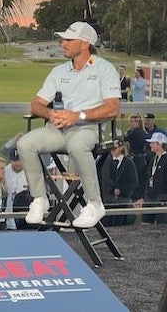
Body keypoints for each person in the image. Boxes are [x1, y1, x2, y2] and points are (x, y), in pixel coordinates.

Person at [16, 21, 121, 228]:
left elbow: (112, 108)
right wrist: (50, 113)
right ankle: (40, 199)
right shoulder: (59, 71)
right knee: (24, 144)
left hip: (90, 128)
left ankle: (94, 203)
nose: (62, 43)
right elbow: (35, 105)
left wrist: (78, 116)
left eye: (68, 39)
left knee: (76, 146)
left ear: (84, 44)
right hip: (57, 129)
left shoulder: (104, 69)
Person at [100, 139, 138, 226]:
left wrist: (121, 190)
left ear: (121, 148)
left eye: (115, 148)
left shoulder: (128, 163)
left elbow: (134, 182)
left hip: (122, 200)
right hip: (107, 200)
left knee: (118, 225)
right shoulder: (106, 161)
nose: (112, 150)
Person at [133, 132, 167, 225]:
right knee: (145, 226)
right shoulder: (153, 160)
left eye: (152, 143)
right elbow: (149, 181)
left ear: (159, 144)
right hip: (150, 200)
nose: (150, 145)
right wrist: (144, 198)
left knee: (162, 227)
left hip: (161, 201)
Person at [4, 147, 31, 230]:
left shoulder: (30, 171)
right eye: (15, 160)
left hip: (24, 220)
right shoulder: (4, 171)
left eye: (20, 160)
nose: (18, 163)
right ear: (10, 160)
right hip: (7, 218)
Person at [124, 113, 149, 200]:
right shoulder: (141, 132)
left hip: (137, 160)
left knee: (135, 178)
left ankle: (135, 197)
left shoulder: (137, 132)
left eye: (132, 122)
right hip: (140, 159)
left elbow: (126, 138)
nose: (130, 124)